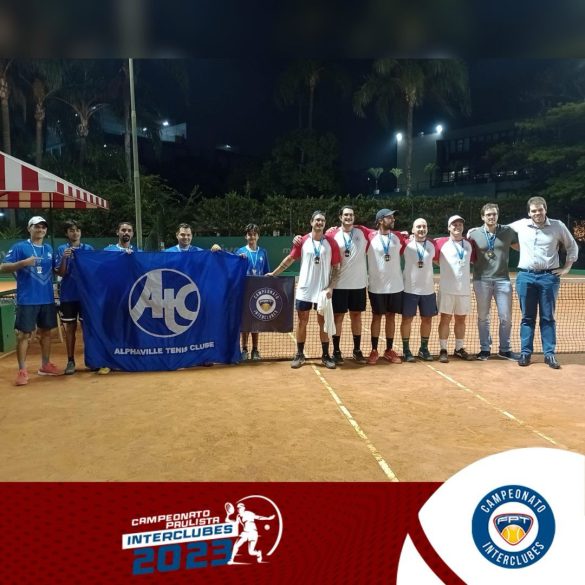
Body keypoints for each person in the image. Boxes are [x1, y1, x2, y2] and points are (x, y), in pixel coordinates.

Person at [508, 196, 579, 369]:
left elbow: (572, 246)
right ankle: (525, 353)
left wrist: (566, 268)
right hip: (525, 277)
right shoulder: (521, 224)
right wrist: (476, 230)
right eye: (533, 211)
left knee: (548, 317)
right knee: (527, 317)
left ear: (545, 210)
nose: (537, 213)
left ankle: (549, 354)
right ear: (529, 212)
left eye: (540, 209)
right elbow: (499, 229)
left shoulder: (557, 225)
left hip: (549, 278)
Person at [267, 210, 340, 369]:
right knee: (302, 322)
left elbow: (336, 267)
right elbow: (290, 259)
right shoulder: (302, 241)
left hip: (323, 291)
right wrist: (274, 273)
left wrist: (331, 287)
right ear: (311, 222)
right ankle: (300, 354)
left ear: (325, 223)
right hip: (304, 290)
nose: (319, 222)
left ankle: (325, 355)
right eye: (317, 220)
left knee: (323, 323)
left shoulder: (331, 243)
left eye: (322, 220)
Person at [0, 216, 63, 385]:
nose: (40, 230)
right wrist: (23, 263)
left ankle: (45, 365)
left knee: (46, 333)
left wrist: (65, 260)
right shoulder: (20, 247)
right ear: (29, 229)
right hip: (27, 299)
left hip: (47, 299)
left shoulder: (48, 248)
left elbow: (57, 269)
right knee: (24, 335)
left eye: (43, 227)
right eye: (37, 227)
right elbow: (3, 267)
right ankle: (22, 370)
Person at [467, 203, 520, 361]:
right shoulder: (473, 234)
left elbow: (521, 246)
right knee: (483, 317)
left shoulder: (508, 232)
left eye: (494, 214)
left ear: (498, 215)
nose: (491, 217)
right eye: (488, 214)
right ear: (482, 217)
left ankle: (505, 349)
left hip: (503, 280)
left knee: (506, 317)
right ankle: (485, 349)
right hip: (481, 280)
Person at [326, 206, 370, 365]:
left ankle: (357, 350)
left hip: (359, 284)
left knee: (356, 316)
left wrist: (405, 235)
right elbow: (317, 238)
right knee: (338, 317)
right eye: (346, 215)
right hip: (339, 284)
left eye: (351, 215)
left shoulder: (362, 232)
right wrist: (298, 238)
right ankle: (336, 351)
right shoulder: (332, 234)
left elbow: (382, 232)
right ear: (340, 217)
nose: (348, 217)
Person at [365, 209, 408, 365]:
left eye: (393, 217)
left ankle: (389, 350)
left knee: (391, 317)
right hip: (376, 287)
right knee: (376, 317)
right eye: (389, 217)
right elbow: (353, 228)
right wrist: (333, 229)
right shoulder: (369, 237)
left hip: (396, 286)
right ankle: (374, 350)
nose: (393, 219)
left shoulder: (398, 237)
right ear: (380, 220)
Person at [54, 220, 95, 375]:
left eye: (77, 230)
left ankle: (92, 360)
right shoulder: (61, 249)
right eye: (71, 230)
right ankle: (70, 361)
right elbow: (61, 273)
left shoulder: (88, 249)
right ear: (67, 233)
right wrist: (64, 258)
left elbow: (94, 271)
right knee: (70, 329)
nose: (75, 233)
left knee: (88, 328)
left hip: (86, 296)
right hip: (68, 295)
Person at [434, 215, 476, 363]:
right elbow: (433, 258)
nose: (457, 227)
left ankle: (459, 349)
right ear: (448, 227)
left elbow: (472, 260)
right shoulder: (440, 243)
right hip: (446, 289)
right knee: (445, 318)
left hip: (464, 290)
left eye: (460, 225)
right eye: (454, 225)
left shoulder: (469, 244)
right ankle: (443, 350)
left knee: (461, 319)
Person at [400, 218, 438, 362]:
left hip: (428, 290)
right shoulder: (405, 243)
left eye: (424, 226)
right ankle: (406, 350)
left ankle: (423, 349)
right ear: (413, 230)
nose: (421, 229)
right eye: (418, 227)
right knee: (407, 320)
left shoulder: (433, 244)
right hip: (409, 290)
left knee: (427, 320)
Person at [235, 223, 271, 361]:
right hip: (244, 291)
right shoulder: (240, 251)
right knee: (245, 322)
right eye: (249, 234)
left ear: (258, 236)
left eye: (254, 234)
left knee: (256, 321)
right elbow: (234, 271)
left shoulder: (263, 252)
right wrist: (239, 260)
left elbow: (267, 271)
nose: (252, 237)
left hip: (258, 292)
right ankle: (244, 349)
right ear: (246, 236)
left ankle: (255, 350)